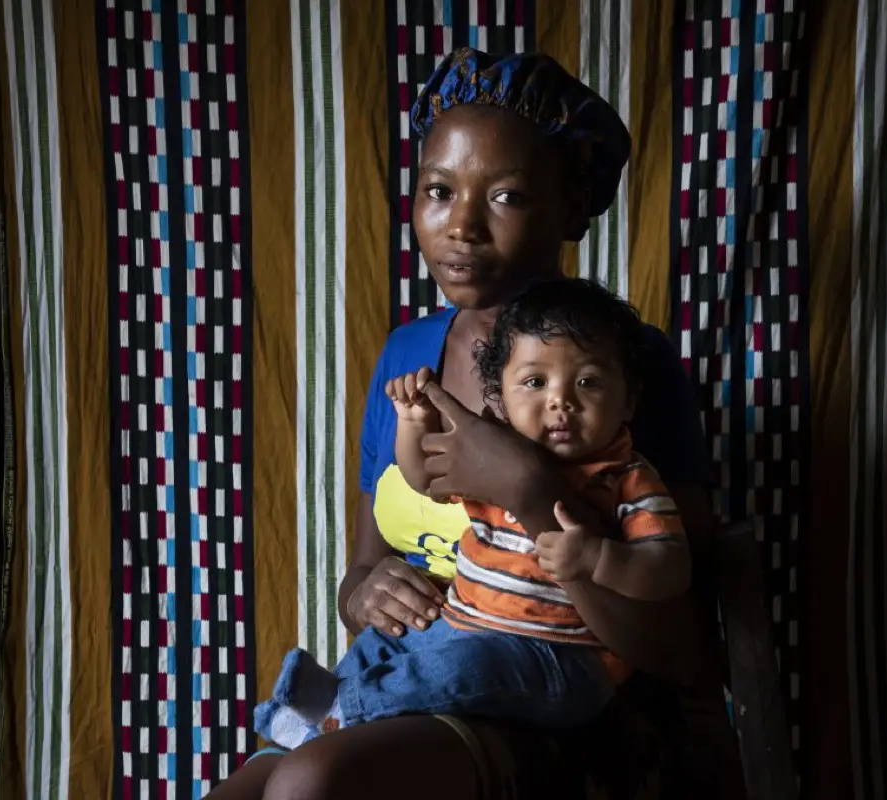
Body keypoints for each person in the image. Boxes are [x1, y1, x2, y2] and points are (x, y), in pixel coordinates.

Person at [209, 47, 731, 800]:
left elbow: (681, 652)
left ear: (571, 204)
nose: (462, 228)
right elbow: (362, 572)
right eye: (438, 191)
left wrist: (527, 489)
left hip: (566, 713)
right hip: (417, 681)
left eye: (508, 197)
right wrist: (362, 593)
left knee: (311, 783)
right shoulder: (407, 356)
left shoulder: (619, 370)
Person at [253, 280, 693, 749]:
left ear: (627, 399)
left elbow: (670, 567)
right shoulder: (494, 449)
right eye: (535, 382)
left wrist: (601, 560)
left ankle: (341, 715)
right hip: (462, 628)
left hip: (562, 662)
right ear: (500, 396)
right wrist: (414, 422)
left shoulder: (625, 477)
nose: (560, 402)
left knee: (457, 669)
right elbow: (422, 476)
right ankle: (307, 717)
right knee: (382, 647)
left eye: (588, 382)